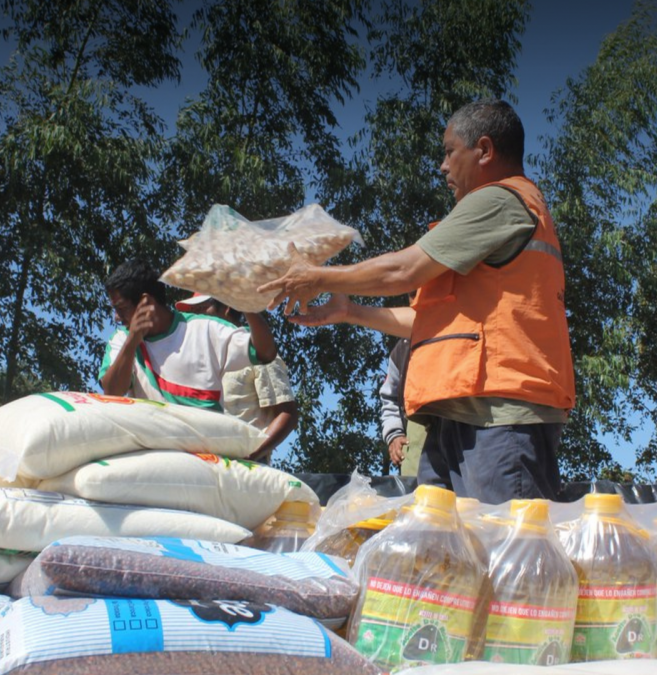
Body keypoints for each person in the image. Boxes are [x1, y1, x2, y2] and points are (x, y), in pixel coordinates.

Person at [259, 99, 575, 504]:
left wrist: (318, 277)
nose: (442, 166)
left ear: (484, 150)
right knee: (443, 555)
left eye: (448, 151)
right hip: (465, 414)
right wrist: (351, 311)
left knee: (500, 554)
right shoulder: (487, 221)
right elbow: (432, 323)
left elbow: (404, 271)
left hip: (500, 418)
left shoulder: (499, 200)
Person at [99, 260, 278, 416]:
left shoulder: (204, 329)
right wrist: (132, 342)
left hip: (204, 451)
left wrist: (245, 304)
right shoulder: (122, 339)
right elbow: (112, 391)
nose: (116, 317)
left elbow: (265, 352)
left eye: (121, 308)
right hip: (152, 449)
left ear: (146, 302)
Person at [175, 293, 298, 465]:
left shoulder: (259, 354)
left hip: (247, 471)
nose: (197, 317)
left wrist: (252, 455)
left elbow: (287, 414)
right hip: (205, 466)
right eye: (194, 312)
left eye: (202, 309)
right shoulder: (198, 358)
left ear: (226, 308)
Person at [378, 336, 427, 476]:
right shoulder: (402, 349)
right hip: (416, 447)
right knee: (417, 494)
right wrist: (394, 434)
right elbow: (389, 398)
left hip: (466, 436)